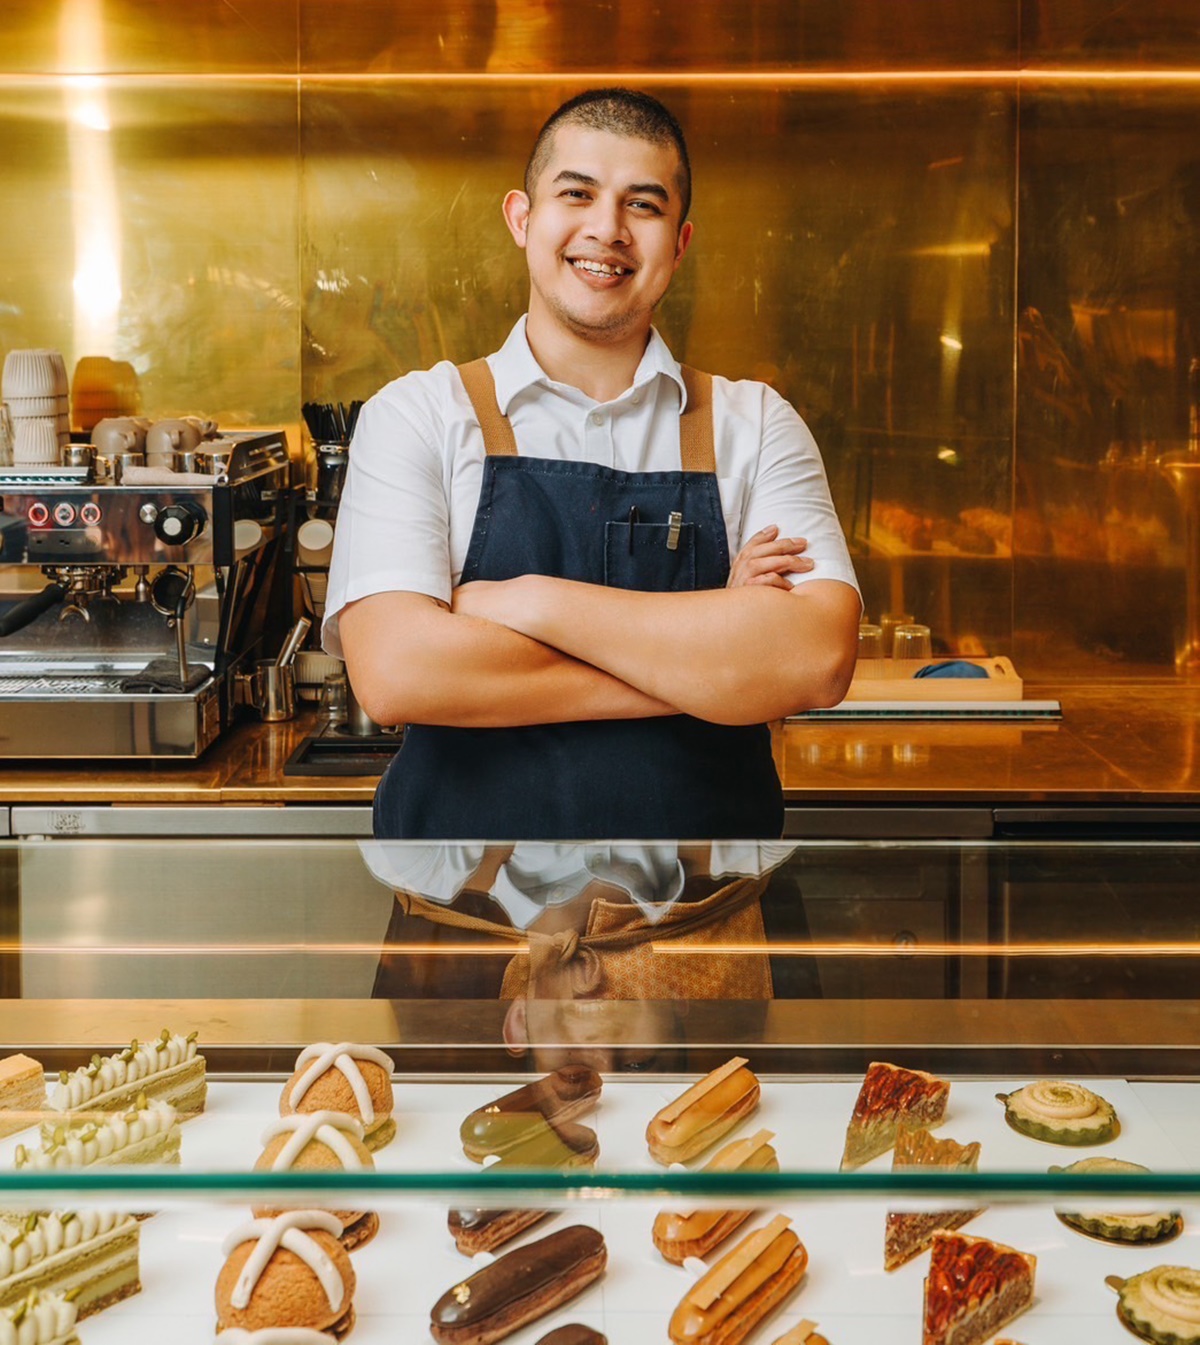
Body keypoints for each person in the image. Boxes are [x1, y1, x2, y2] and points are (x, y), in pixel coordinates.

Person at [323, 87, 861, 841]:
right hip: (469, 934)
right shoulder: (417, 415)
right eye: (576, 194)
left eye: (643, 205)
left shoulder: (756, 424)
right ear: (523, 217)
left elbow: (816, 659)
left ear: (679, 243)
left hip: (704, 933)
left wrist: (527, 600)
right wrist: (710, 667)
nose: (606, 229)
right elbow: (398, 672)